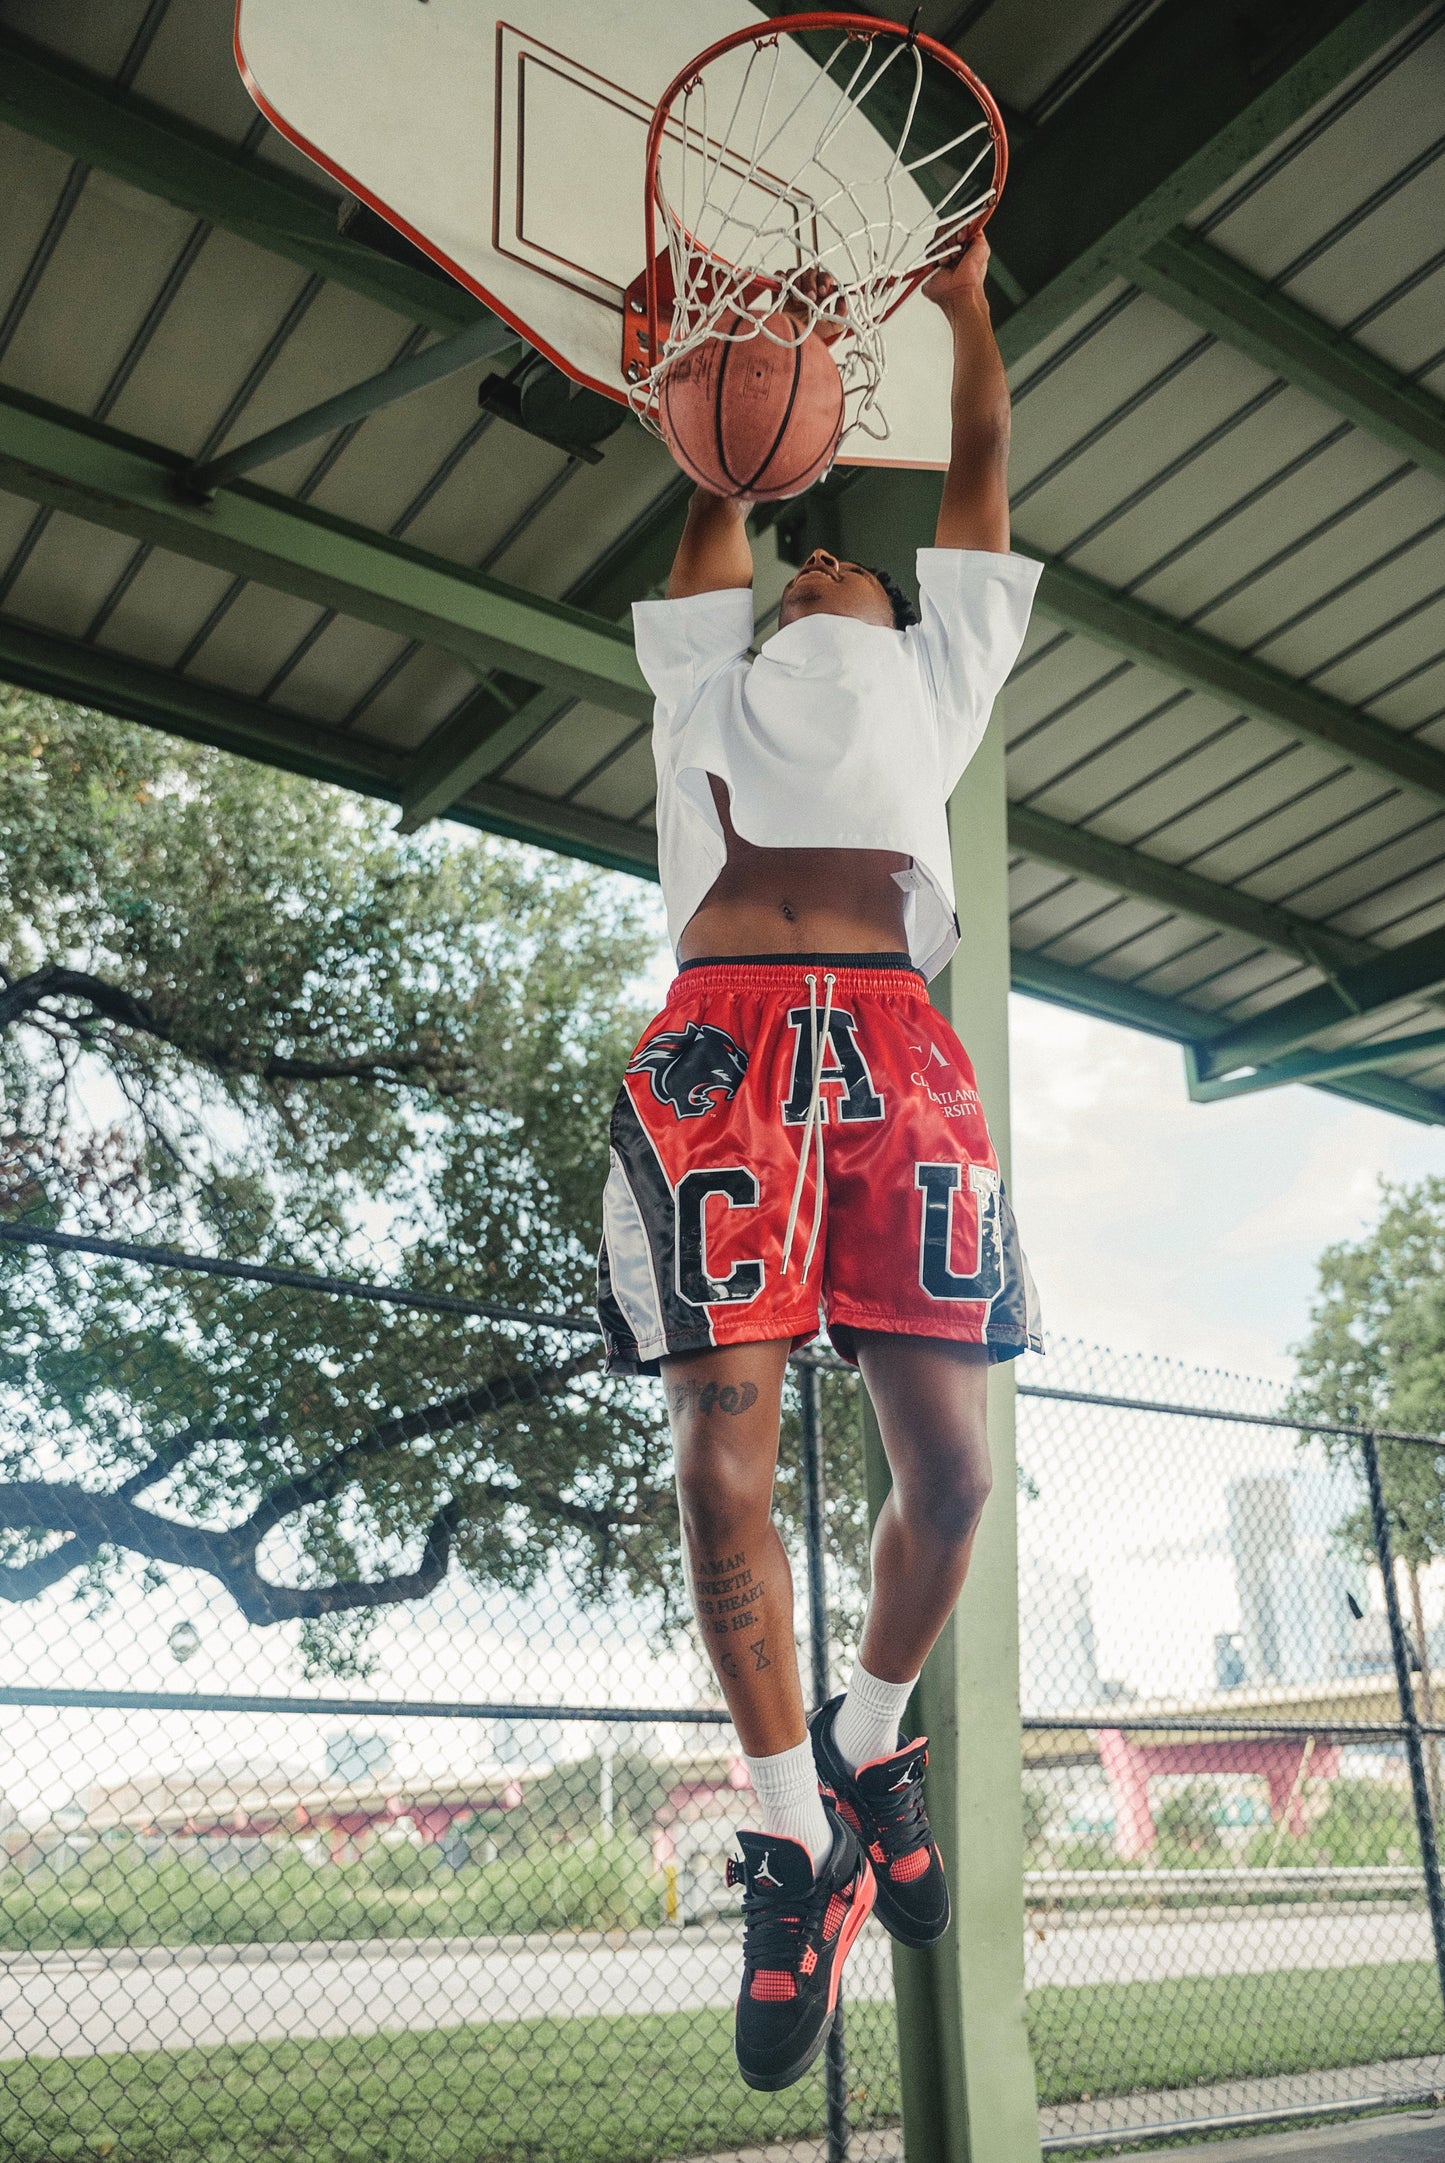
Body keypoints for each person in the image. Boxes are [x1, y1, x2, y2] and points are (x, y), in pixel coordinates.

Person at [597, 235, 1042, 2093]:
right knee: (720, 1471)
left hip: (895, 1048)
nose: (812, 564)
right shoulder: (714, 682)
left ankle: (872, 1739)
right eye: (796, 566)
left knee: (952, 1472)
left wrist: (962, 313)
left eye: (831, 558)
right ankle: (790, 1831)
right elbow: (718, 488)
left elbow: (976, 475)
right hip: (721, 1047)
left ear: (885, 601)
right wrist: (699, 388)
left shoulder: (939, 664)